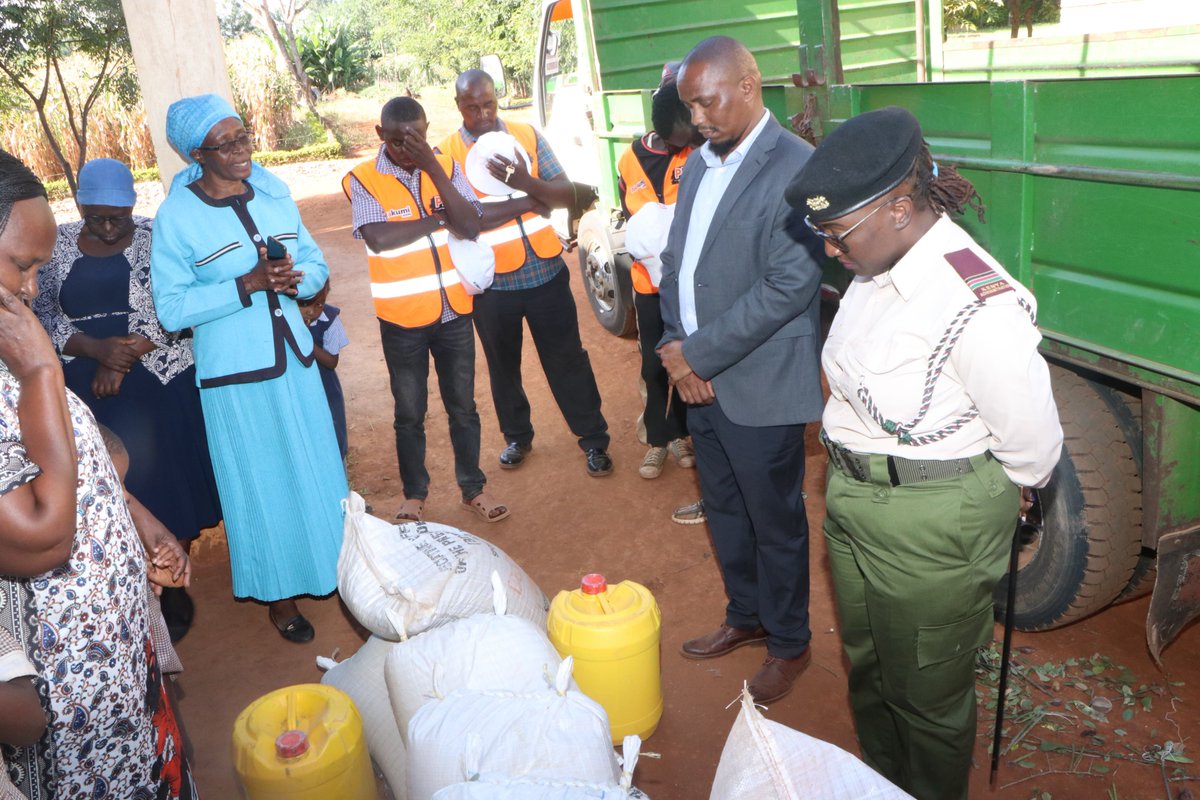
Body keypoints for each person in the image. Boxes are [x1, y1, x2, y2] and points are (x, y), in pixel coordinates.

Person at [784, 106, 1062, 799]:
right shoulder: (878, 263)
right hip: (853, 499)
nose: (828, 249)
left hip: (930, 522)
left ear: (901, 208)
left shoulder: (975, 304)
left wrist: (1008, 496)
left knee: (926, 695)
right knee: (870, 669)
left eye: (835, 232)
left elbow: (1033, 445)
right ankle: (884, 784)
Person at [0, 148, 196, 798]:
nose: (32, 287)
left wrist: (137, 519)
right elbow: (43, 538)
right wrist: (46, 369)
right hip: (65, 687)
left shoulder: (12, 339)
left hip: (116, 657)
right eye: (22, 267)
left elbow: (79, 444)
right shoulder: (27, 356)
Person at [658, 37, 823, 704]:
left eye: (706, 102)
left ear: (748, 86)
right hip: (698, 376)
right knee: (725, 510)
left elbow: (790, 285)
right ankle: (746, 614)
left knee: (774, 519)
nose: (696, 117)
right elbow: (676, 264)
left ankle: (789, 643)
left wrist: (698, 353)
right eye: (689, 105)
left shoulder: (798, 167)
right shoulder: (698, 163)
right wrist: (677, 348)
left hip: (758, 382)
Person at [150, 93, 347, 643]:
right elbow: (172, 308)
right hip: (235, 378)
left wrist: (299, 281)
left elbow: (312, 256)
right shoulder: (177, 218)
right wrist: (247, 284)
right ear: (198, 153)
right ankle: (278, 596)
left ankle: (338, 571)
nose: (242, 151)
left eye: (244, 137)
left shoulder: (274, 191)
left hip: (296, 361)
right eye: (227, 144)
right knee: (258, 485)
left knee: (317, 469)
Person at [33, 157, 221, 642]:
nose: (111, 226)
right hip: (84, 375)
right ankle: (125, 579)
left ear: (134, 204)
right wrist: (98, 352)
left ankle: (171, 576)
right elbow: (43, 315)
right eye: (98, 217)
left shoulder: (157, 236)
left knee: (162, 472)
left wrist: (125, 355)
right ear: (78, 206)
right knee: (103, 476)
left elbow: (180, 305)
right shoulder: (55, 248)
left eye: (119, 214)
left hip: (157, 370)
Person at [439, 70, 613, 477]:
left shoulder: (527, 134)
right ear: (458, 106)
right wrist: (534, 200)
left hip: (546, 270)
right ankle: (518, 436)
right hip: (493, 284)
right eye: (471, 107)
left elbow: (566, 192)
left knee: (569, 361)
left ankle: (594, 440)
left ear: (496, 99)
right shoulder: (446, 152)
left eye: (488, 104)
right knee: (503, 368)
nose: (482, 114)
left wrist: (522, 181)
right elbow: (466, 221)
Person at [343, 96, 508, 523]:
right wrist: (437, 220)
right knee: (409, 413)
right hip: (402, 319)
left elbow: (471, 224)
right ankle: (415, 495)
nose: (408, 148)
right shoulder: (362, 178)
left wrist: (433, 167)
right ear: (380, 135)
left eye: (418, 138)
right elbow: (378, 237)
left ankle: (473, 488)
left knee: (464, 408)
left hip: (454, 311)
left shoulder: (446, 166)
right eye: (399, 142)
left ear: (428, 129)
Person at [617, 71, 699, 481]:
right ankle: (655, 440)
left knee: (684, 356)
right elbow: (630, 217)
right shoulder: (628, 158)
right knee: (652, 364)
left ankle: (680, 433)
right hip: (647, 286)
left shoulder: (695, 152)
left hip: (686, 284)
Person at [299, 280, 349, 459]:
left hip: (326, 387)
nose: (311, 311)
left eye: (319, 304)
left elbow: (331, 361)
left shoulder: (330, 320)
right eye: (304, 304)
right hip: (300, 389)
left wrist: (304, 339)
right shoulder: (284, 319)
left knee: (334, 435)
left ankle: (341, 482)